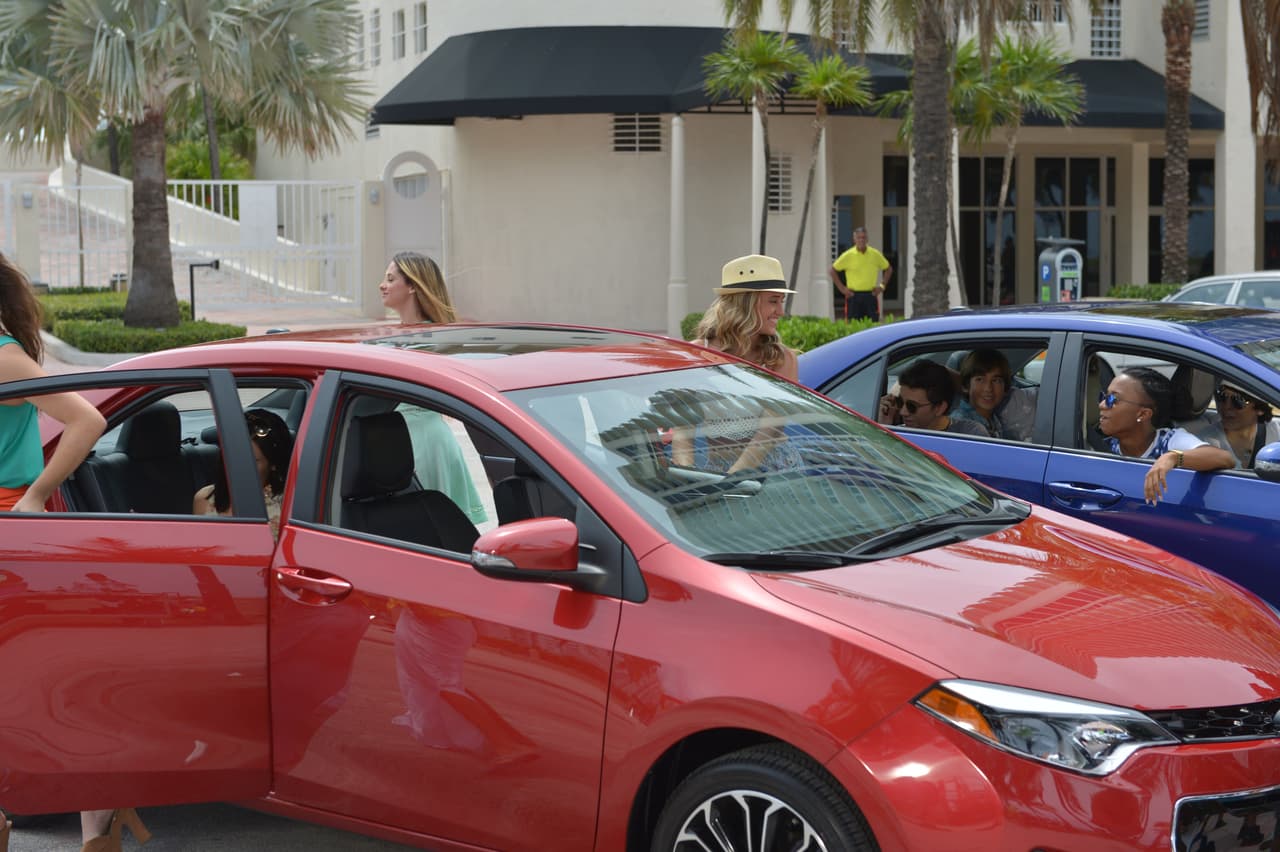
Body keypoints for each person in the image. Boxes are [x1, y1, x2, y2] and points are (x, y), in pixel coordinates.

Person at [0, 256, 143, 852]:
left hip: (11, 524)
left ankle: (95, 825)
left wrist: (33, 496)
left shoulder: (3, 356)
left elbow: (85, 419)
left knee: (41, 682)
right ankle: (99, 827)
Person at [378, 252, 487, 524]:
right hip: (412, 441)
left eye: (390, 279)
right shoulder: (398, 339)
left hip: (422, 444)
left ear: (413, 285)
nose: (382, 285)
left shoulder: (431, 341)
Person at [673, 254, 799, 474]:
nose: (781, 311)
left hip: (774, 473)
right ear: (745, 303)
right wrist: (686, 477)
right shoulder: (695, 353)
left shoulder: (781, 359)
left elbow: (767, 436)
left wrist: (729, 481)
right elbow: (683, 431)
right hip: (717, 471)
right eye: (773, 301)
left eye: (781, 301)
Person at [1097, 367, 1233, 504]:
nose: (1102, 405)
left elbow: (1225, 458)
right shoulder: (1097, 445)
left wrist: (1173, 457)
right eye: (1104, 396)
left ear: (1143, 414)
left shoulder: (1169, 441)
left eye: (1112, 399)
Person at [193, 408, 294, 539]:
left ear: (273, 464)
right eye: (232, 456)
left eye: (251, 461)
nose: (238, 467)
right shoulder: (205, 499)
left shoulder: (290, 505)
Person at [878, 359, 987, 435]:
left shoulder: (970, 434)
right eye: (900, 402)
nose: (903, 412)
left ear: (939, 407)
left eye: (912, 406)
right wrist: (883, 428)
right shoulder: (896, 434)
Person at [950, 348, 1037, 440]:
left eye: (996, 381)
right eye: (980, 379)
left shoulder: (993, 419)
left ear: (1005, 388)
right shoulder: (962, 425)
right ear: (966, 386)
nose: (988, 388)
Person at [1195, 383, 1280, 469]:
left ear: (1260, 409)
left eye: (1238, 400)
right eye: (1222, 396)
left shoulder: (1276, 432)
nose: (1226, 406)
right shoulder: (1203, 441)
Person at [829, 226, 892, 321]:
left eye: (863, 237)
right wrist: (842, 289)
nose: (861, 240)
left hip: (870, 295)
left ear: (867, 239)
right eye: (859, 238)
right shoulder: (848, 255)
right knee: (852, 327)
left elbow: (888, 269)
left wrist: (882, 286)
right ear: (854, 239)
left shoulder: (875, 254)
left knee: (872, 327)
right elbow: (832, 270)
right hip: (853, 296)